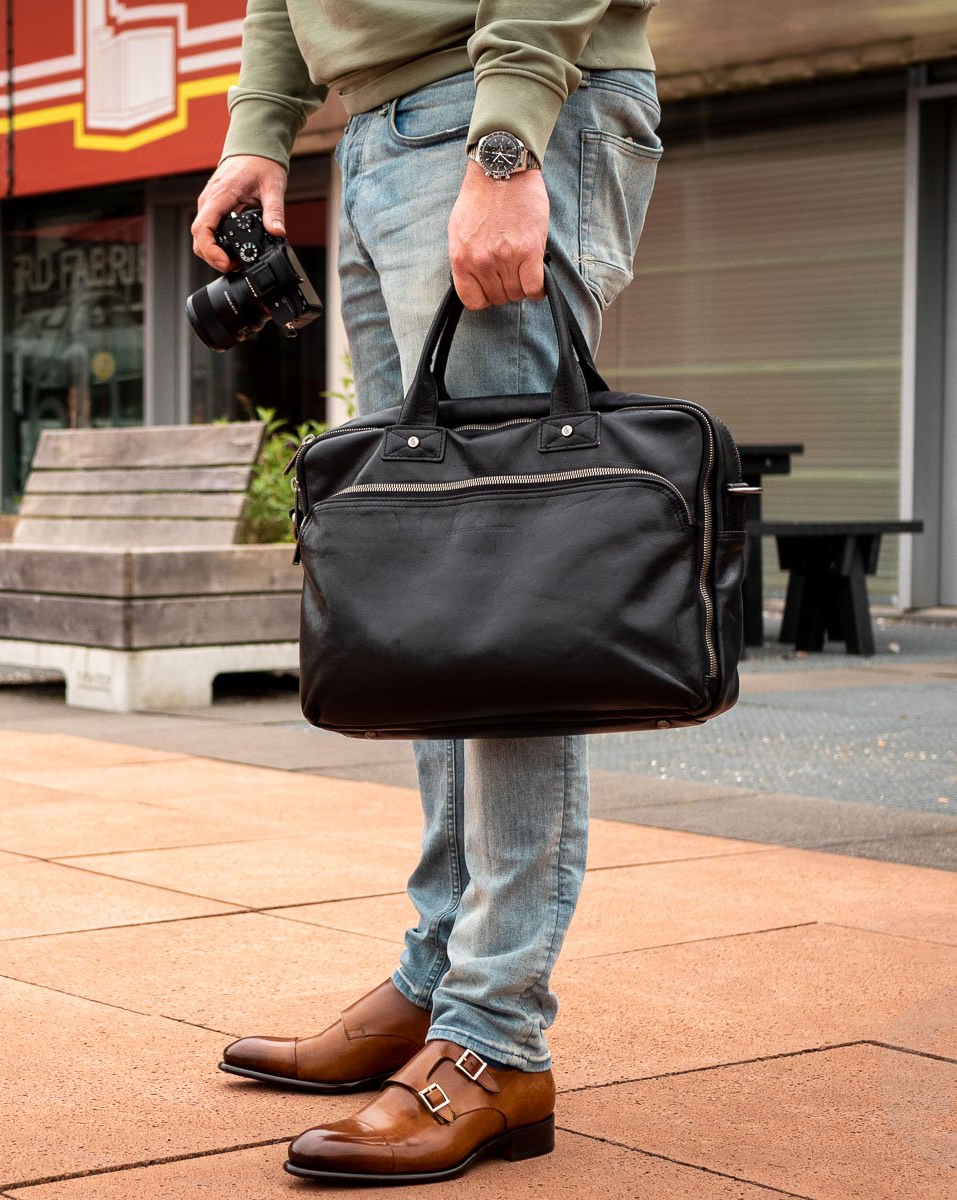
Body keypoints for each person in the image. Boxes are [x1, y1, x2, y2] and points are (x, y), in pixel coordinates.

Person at [191, 1, 662, 1185]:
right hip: (375, 135)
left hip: (494, 99)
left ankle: (497, 1039)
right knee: (439, 588)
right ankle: (440, 976)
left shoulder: (503, 125)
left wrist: (506, 139)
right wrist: (265, 126)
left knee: (509, 587)